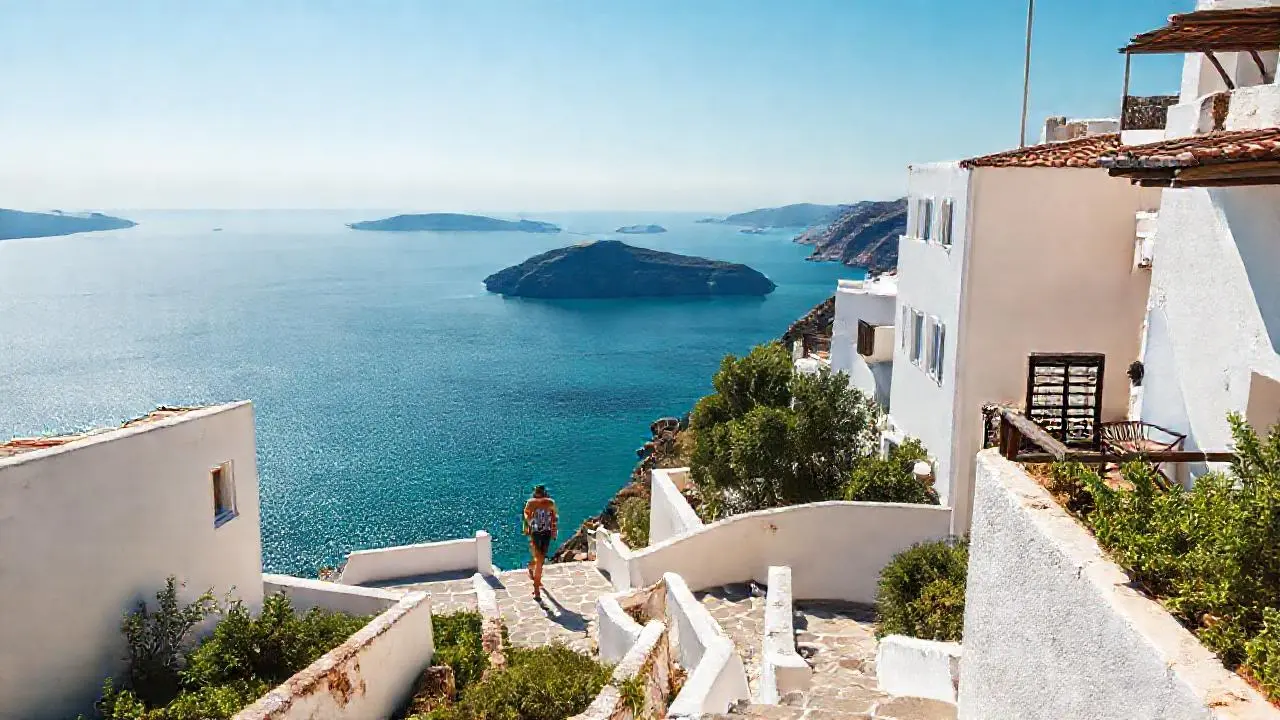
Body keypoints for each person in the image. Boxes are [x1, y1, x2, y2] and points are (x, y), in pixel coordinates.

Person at [523, 484, 558, 600]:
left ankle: (531, 568)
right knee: (540, 559)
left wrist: (554, 530)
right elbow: (526, 514)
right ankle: (536, 588)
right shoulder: (531, 503)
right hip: (536, 533)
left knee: (540, 559)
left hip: (546, 533)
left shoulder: (550, 503)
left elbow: (554, 517)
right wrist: (529, 524)